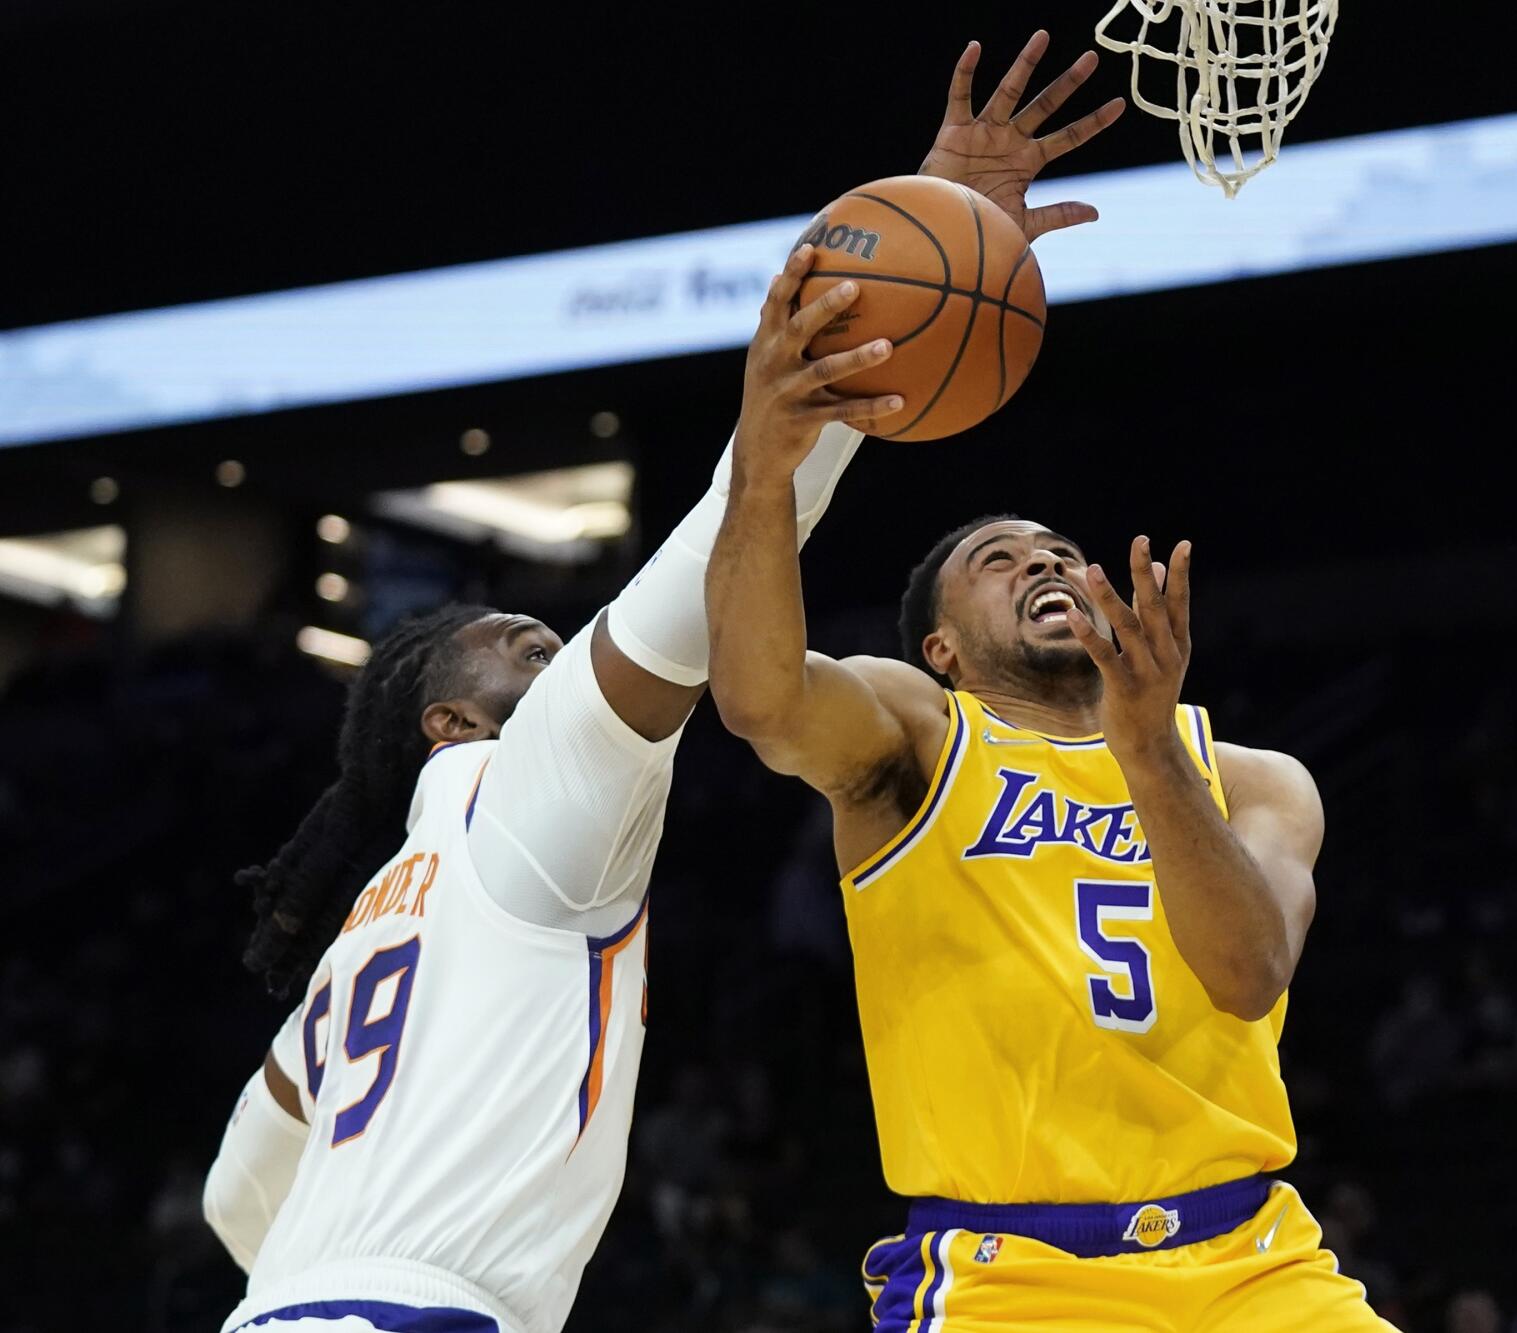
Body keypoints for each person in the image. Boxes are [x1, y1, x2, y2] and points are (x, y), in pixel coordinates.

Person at [197, 32, 1120, 1333]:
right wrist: (836, 371)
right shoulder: (517, 801)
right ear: (447, 723)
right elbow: (692, 598)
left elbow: (237, 1201)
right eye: (522, 643)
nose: (556, 648)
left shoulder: (365, 946)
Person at [705, 110, 1380, 1333]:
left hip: (1256, 1267)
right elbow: (756, 698)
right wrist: (765, 463)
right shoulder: (917, 739)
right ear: (941, 649)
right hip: (1012, 1278)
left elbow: (1244, 974)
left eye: (1058, 549)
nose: (1042, 559)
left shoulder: (1252, 776)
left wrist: (1142, 746)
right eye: (998, 558)